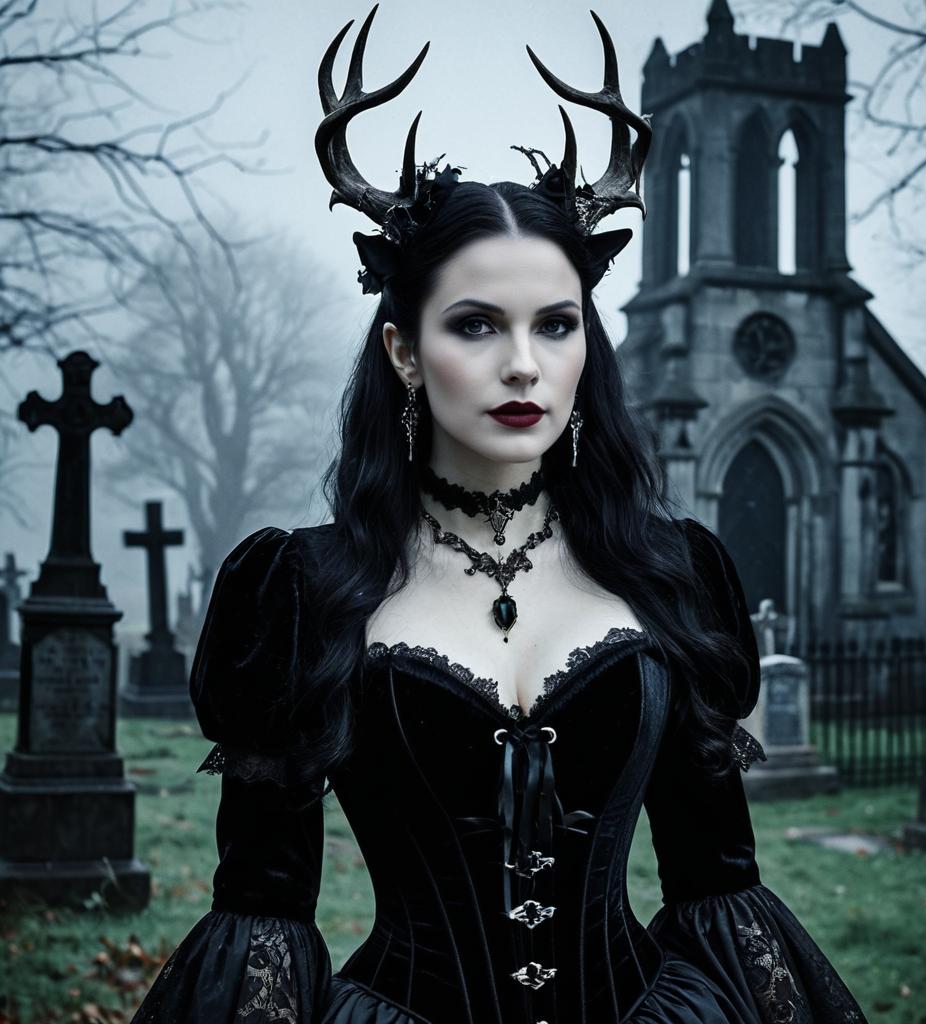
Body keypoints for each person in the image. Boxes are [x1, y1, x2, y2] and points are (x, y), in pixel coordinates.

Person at [130, 7, 869, 1022]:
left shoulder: (670, 574)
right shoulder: (302, 595)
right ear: (403, 350)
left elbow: (716, 884)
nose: (524, 364)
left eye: (555, 325)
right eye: (475, 324)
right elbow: (263, 918)